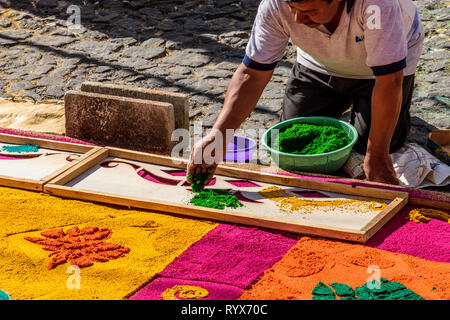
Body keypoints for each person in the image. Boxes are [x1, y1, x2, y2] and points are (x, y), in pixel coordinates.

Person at [187, 0, 424, 187]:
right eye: (293, 8)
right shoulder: (276, 4)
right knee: (291, 145)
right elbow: (253, 73)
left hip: (380, 73)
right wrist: (218, 137)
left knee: (371, 151)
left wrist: (378, 154)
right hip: (318, 64)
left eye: (309, 11)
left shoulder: (378, 6)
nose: (299, 19)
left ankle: (381, 121)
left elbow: (389, 81)